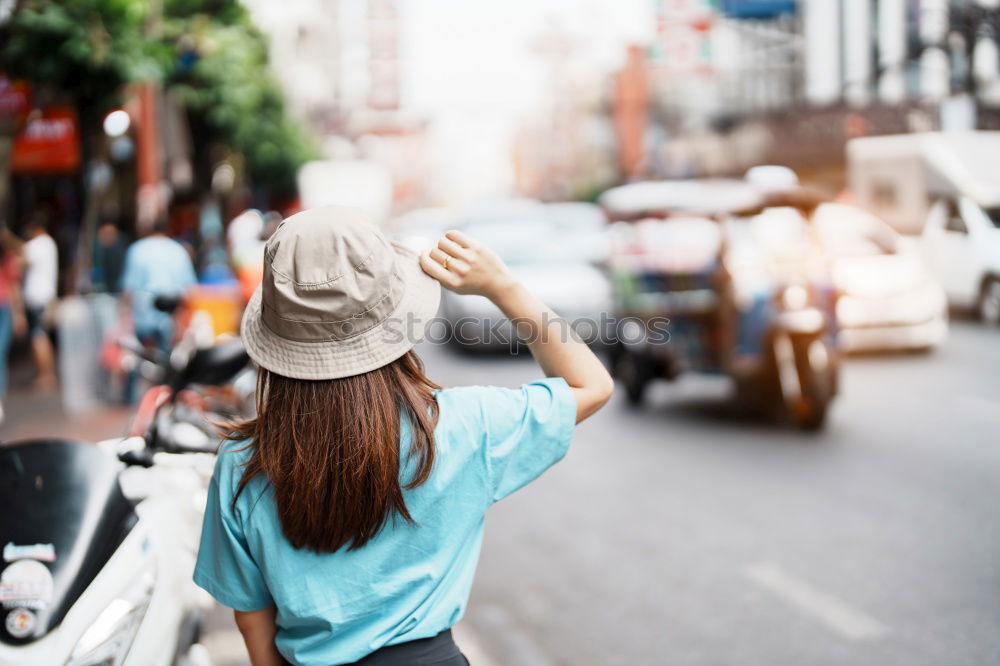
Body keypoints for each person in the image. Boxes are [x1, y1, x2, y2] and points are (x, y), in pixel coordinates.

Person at [193, 206, 614, 666]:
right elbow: (590, 385)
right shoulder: (462, 425)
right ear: (395, 317)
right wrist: (503, 288)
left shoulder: (242, 462)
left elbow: (252, 619)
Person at [120, 217, 198, 353]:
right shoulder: (178, 250)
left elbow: (128, 291)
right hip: (171, 323)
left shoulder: (137, 249)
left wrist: (125, 320)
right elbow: (190, 292)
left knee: (146, 363)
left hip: (144, 321)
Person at [21, 215, 59, 390]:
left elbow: (21, 257)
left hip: (38, 297)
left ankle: (45, 376)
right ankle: (46, 375)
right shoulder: (49, 243)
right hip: (46, 296)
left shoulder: (38, 245)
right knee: (42, 335)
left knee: (38, 336)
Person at [0, 229, 26, 424]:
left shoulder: (8, 256)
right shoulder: (9, 255)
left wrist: (18, 314)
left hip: (5, 307)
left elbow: (14, 286)